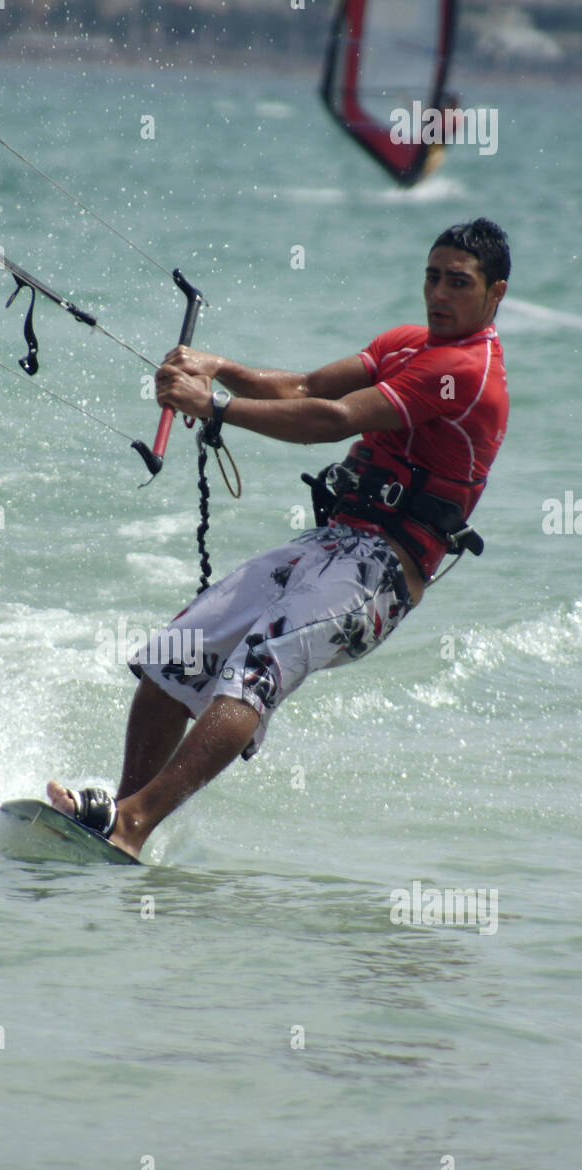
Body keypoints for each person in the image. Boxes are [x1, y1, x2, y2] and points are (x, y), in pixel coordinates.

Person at [48, 218, 511, 860]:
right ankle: (118, 823)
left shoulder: (465, 370)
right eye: (432, 276)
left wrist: (214, 407)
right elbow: (306, 387)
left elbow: (333, 418)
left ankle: (131, 825)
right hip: (329, 544)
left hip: (381, 575)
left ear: (494, 295)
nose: (439, 293)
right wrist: (218, 368)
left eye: (458, 282)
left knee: (252, 673)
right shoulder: (408, 344)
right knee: (175, 654)